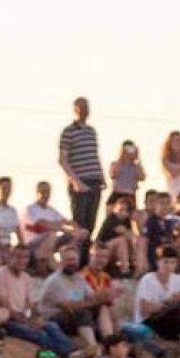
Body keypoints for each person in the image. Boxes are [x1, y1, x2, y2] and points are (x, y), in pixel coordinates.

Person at [59, 97, 107, 246]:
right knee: (80, 224)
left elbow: (94, 155)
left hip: (94, 180)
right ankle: (75, 256)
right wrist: (75, 181)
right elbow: (62, 159)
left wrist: (102, 176)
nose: (83, 111)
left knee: (91, 223)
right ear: (75, 110)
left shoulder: (91, 131)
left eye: (86, 108)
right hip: (80, 181)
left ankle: (86, 258)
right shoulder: (68, 131)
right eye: (80, 108)